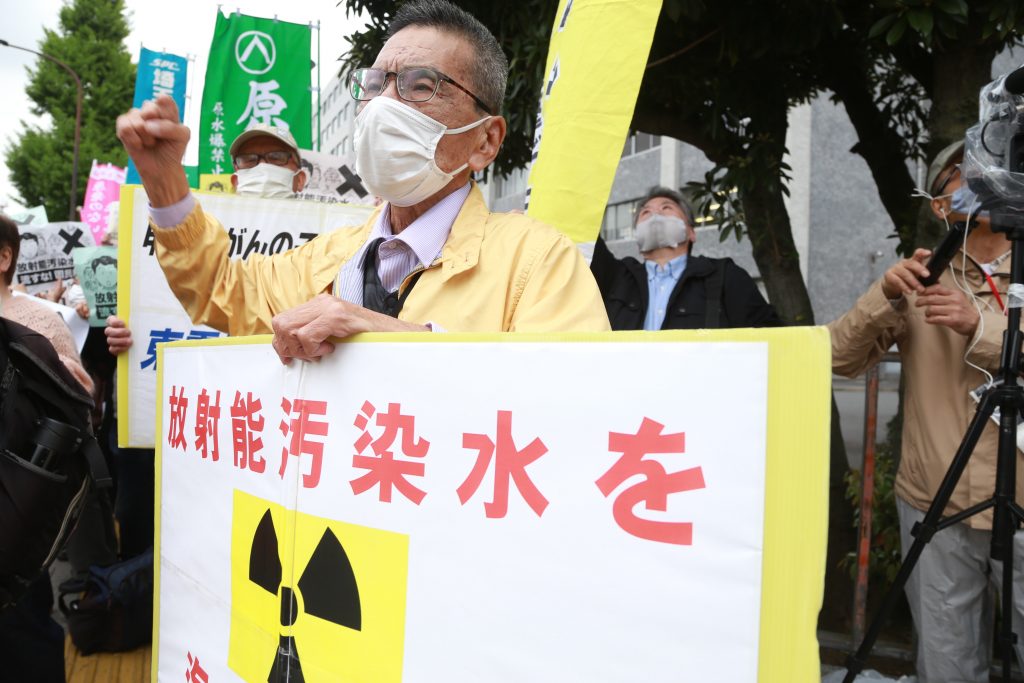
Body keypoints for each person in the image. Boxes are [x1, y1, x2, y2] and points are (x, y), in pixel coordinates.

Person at [115, 0, 608, 364]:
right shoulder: (324, 258)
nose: (382, 107)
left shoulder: (537, 260)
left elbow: (571, 393)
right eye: (375, 85)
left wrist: (387, 337)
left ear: (485, 140)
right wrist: (164, 181)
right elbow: (220, 288)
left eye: (421, 86)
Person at [829, 140, 1022, 682]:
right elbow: (838, 357)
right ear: (940, 203)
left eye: (990, 168)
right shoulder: (919, 277)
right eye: (959, 174)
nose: (977, 180)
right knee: (946, 664)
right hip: (934, 498)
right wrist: (883, 297)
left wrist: (979, 327)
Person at [590, 186, 781, 330]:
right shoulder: (616, 277)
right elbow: (580, 231)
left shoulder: (724, 276)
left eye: (666, 208)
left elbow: (770, 338)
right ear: (637, 235)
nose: (655, 214)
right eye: (645, 212)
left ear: (691, 232)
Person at [228, 123, 308, 197]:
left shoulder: (318, 212)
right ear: (235, 182)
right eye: (249, 160)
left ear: (299, 180)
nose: (262, 165)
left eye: (276, 157)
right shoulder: (217, 212)